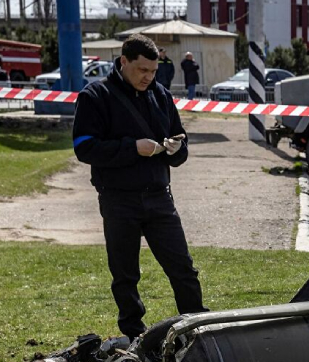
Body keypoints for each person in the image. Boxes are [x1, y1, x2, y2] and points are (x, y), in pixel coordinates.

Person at [71, 33, 207, 341]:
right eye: (141, 70)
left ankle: (196, 326)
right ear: (123, 62)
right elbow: (84, 148)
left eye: (153, 71)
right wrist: (132, 148)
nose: (147, 77)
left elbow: (181, 141)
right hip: (119, 199)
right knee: (125, 275)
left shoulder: (160, 95)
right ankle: (134, 336)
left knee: (183, 269)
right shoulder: (95, 96)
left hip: (160, 197)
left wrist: (176, 149)